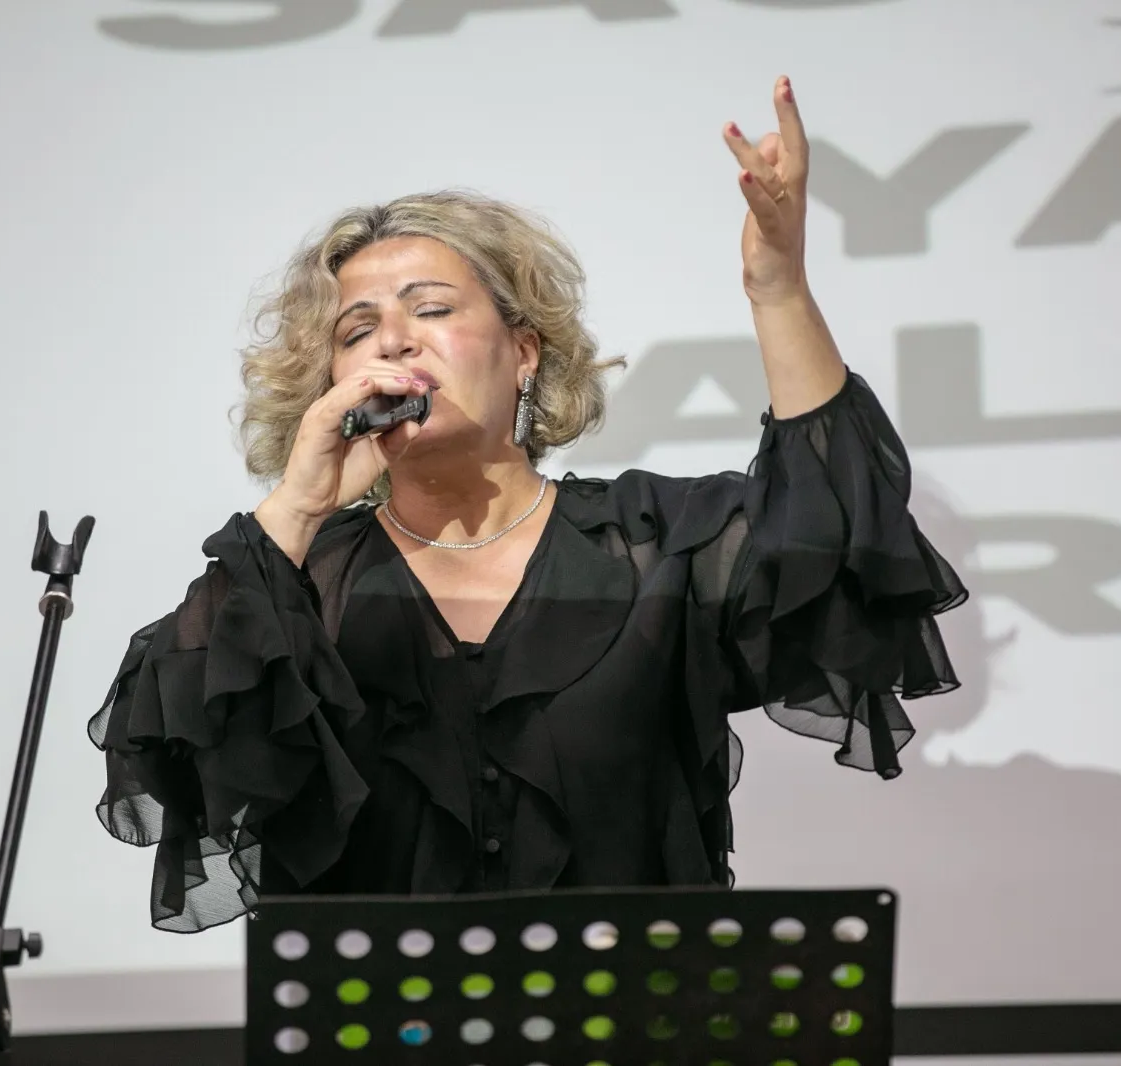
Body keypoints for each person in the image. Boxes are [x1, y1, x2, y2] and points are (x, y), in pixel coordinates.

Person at [88, 77, 966, 933]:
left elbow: (840, 547)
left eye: (431, 309)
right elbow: (174, 757)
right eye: (357, 331)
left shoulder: (657, 544)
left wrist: (777, 287)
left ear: (524, 352)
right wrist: (298, 504)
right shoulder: (295, 584)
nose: (393, 340)